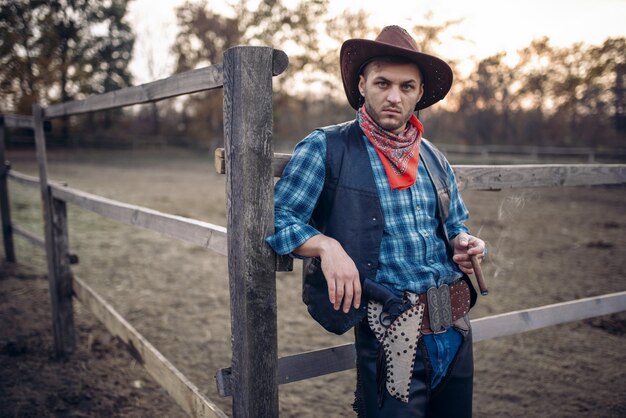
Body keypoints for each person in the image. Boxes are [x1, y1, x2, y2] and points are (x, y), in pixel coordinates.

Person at [267, 25, 486, 417]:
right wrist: (325, 245)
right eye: (383, 83)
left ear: (419, 94)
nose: (393, 96)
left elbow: (456, 224)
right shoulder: (327, 146)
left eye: (407, 87)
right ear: (362, 84)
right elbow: (278, 218)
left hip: (455, 327)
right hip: (392, 331)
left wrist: (464, 241)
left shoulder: (434, 158)